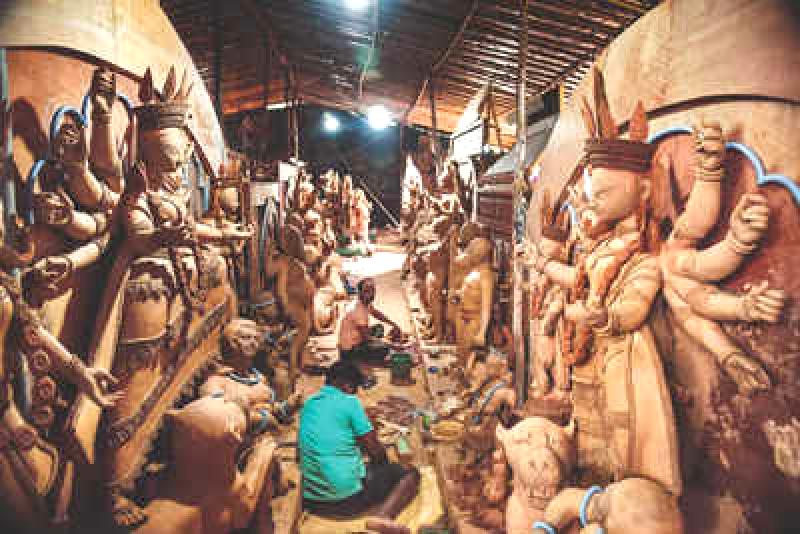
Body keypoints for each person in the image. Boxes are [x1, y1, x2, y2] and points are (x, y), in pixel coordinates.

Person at [298, 361, 420, 533]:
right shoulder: (349, 402)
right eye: (354, 389)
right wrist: (385, 467)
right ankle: (384, 517)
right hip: (345, 502)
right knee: (409, 473)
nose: (355, 394)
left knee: (355, 466)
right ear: (347, 385)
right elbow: (376, 453)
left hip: (313, 501)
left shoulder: (309, 404)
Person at [338, 277, 404, 365]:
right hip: (350, 351)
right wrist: (391, 345)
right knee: (384, 349)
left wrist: (393, 324)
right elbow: (367, 338)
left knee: (379, 328)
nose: (371, 294)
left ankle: (384, 342)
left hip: (358, 340)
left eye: (373, 290)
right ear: (360, 292)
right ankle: (364, 359)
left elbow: (376, 313)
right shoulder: (358, 310)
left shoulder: (363, 302)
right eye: (367, 291)